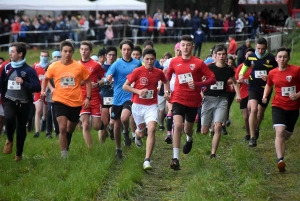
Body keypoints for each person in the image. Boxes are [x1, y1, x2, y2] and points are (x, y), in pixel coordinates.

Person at [165, 35, 216, 170]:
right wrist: (166, 90)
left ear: (192, 47)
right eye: (183, 45)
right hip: (177, 98)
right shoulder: (174, 62)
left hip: (193, 101)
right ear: (179, 46)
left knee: (187, 129)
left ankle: (189, 139)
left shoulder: (199, 63)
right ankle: (175, 158)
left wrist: (198, 84)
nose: (185, 48)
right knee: (177, 125)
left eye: (188, 45)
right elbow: (167, 76)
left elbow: (212, 79)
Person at [41, 40, 91, 158]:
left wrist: (88, 98)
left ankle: (66, 147)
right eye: (65, 51)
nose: (67, 53)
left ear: (73, 52)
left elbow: (88, 82)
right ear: (61, 52)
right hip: (59, 100)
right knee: (62, 128)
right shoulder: (54, 66)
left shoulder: (79, 66)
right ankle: (64, 156)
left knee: (69, 129)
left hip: (75, 102)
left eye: (69, 51)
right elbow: (45, 78)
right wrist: (43, 90)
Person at [123, 48, 170, 170]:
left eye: (152, 59)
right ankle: (137, 136)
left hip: (151, 105)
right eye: (147, 59)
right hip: (138, 106)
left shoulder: (158, 72)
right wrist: (138, 91)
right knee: (142, 132)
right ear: (143, 59)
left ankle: (147, 160)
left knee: (152, 129)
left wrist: (167, 92)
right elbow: (125, 86)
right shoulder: (137, 71)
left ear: (155, 60)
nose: (149, 61)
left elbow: (166, 81)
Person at [262, 47, 300, 172]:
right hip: (278, 105)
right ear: (276, 59)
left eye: (284, 57)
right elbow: (268, 85)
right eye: (280, 57)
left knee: (285, 135)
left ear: (288, 58)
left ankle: (280, 147)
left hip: (293, 107)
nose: (282, 59)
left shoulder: (296, 70)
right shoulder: (272, 73)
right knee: (279, 131)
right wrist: (265, 96)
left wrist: (298, 95)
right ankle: (280, 160)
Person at [1, 42, 41, 161]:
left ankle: (18, 154)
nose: (10, 54)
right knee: (8, 117)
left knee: (21, 129)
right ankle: (9, 139)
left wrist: (24, 83)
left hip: (24, 103)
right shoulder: (7, 67)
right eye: (10, 51)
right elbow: (1, 82)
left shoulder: (29, 70)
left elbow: (37, 87)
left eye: (13, 51)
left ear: (20, 54)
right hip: (9, 100)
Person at [201, 44, 241, 159]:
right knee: (204, 131)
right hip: (208, 99)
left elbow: (235, 82)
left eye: (224, 54)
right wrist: (200, 91)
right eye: (219, 54)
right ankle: (209, 127)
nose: (222, 56)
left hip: (222, 99)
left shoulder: (229, 69)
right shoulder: (209, 67)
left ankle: (213, 153)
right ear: (215, 56)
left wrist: (238, 94)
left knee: (218, 126)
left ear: (226, 55)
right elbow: (201, 79)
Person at [105, 40, 142, 159]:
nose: (126, 52)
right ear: (121, 50)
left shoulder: (137, 63)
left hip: (130, 96)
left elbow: (143, 75)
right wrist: (109, 77)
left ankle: (126, 131)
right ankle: (118, 148)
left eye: (129, 50)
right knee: (116, 125)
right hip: (117, 98)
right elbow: (108, 74)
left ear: (131, 51)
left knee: (124, 117)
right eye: (124, 49)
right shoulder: (116, 64)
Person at [238, 37, 277, 147]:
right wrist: (241, 74)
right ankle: (252, 137)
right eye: (258, 48)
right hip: (253, 87)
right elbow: (244, 67)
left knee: (260, 112)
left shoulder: (272, 58)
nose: (260, 51)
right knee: (253, 109)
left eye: (263, 49)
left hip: (266, 88)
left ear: (266, 48)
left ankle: (256, 127)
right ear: (255, 47)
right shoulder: (251, 57)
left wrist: (269, 76)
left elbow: (277, 72)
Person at [79, 41, 105, 147]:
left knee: (96, 126)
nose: (83, 51)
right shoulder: (76, 64)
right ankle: (91, 149)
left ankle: (104, 126)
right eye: (82, 49)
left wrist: (98, 83)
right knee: (85, 125)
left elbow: (105, 77)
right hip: (82, 96)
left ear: (90, 51)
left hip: (94, 97)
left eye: (86, 49)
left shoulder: (96, 65)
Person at [162, 43, 181, 144]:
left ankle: (176, 130)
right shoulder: (169, 61)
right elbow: (164, 74)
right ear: (174, 50)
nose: (179, 52)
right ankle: (169, 133)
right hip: (171, 89)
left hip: (181, 90)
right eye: (177, 50)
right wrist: (162, 86)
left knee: (177, 113)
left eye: (180, 50)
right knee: (170, 111)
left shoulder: (186, 61)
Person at [98, 46, 117, 143]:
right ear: (105, 56)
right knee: (103, 124)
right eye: (109, 55)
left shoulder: (118, 67)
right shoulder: (101, 68)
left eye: (114, 55)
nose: (111, 57)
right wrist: (104, 80)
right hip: (104, 97)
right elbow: (96, 83)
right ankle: (101, 147)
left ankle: (111, 128)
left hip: (116, 97)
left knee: (113, 121)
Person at [235, 48, 255, 140]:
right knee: (246, 116)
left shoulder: (256, 66)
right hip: (243, 93)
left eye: (251, 55)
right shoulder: (240, 67)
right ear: (245, 56)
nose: (249, 56)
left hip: (254, 92)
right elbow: (236, 82)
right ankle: (248, 134)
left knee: (253, 113)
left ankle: (253, 134)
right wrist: (238, 94)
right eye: (248, 55)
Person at [32, 50, 50, 138]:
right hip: (38, 91)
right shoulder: (35, 65)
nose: (43, 57)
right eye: (42, 56)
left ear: (48, 57)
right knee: (38, 110)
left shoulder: (50, 66)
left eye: (45, 56)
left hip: (48, 91)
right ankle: (37, 132)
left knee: (45, 113)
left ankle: (44, 121)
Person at [45, 50, 61, 138]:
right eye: (55, 57)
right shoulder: (50, 65)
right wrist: (51, 88)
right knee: (50, 112)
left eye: (58, 57)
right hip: (51, 94)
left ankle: (58, 131)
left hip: (62, 93)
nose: (56, 59)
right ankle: (48, 132)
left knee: (58, 113)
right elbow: (46, 79)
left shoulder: (64, 65)